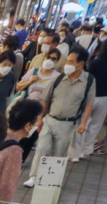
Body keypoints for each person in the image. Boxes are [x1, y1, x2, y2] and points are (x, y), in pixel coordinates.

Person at [24, 48, 95, 187]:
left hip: (67, 124)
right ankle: (34, 177)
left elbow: (89, 104)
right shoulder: (59, 78)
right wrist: (40, 118)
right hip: (50, 119)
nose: (67, 64)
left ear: (81, 63)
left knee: (58, 153)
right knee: (41, 148)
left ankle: (49, 180)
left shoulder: (89, 81)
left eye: (71, 62)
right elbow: (46, 99)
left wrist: (83, 123)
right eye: (67, 61)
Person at [0, 99, 44, 201]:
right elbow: (6, 188)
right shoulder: (14, 150)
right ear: (28, 126)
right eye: (38, 122)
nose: (39, 125)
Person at [72, 36, 107, 160]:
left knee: (82, 122)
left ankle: (76, 150)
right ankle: (85, 150)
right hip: (106, 96)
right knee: (95, 125)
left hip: (91, 95)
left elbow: (88, 79)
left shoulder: (95, 62)